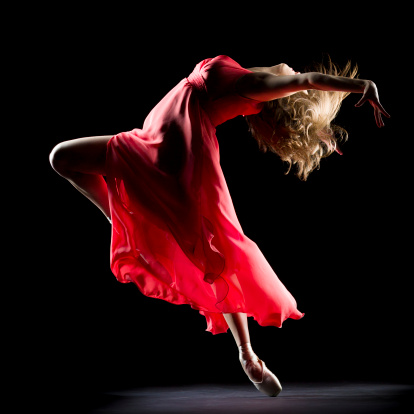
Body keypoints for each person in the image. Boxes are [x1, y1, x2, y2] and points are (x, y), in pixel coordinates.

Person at [49, 55, 389, 397]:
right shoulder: (250, 75)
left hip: (177, 151)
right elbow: (299, 79)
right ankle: (119, 217)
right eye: (294, 71)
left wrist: (361, 85)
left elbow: (306, 81)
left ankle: (247, 353)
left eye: (294, 74)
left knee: (215, 255)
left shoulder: (255, 86)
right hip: (149, 139)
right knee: (62, 157)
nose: (293, 67)